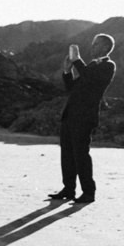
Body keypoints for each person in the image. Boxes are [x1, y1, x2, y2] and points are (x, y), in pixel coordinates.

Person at [48, 33, 116, 204]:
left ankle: (88, 192)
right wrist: (67, 70)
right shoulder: (91, 66)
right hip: (70, 114)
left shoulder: (108, 66)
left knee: (81, 155)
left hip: (85, 117)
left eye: (96, 44)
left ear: (106, 47)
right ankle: (68, 189)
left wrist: (77, 60)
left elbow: (90, 79)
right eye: (93, 44)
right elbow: (72, 88)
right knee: (67, 154)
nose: (92, 47)